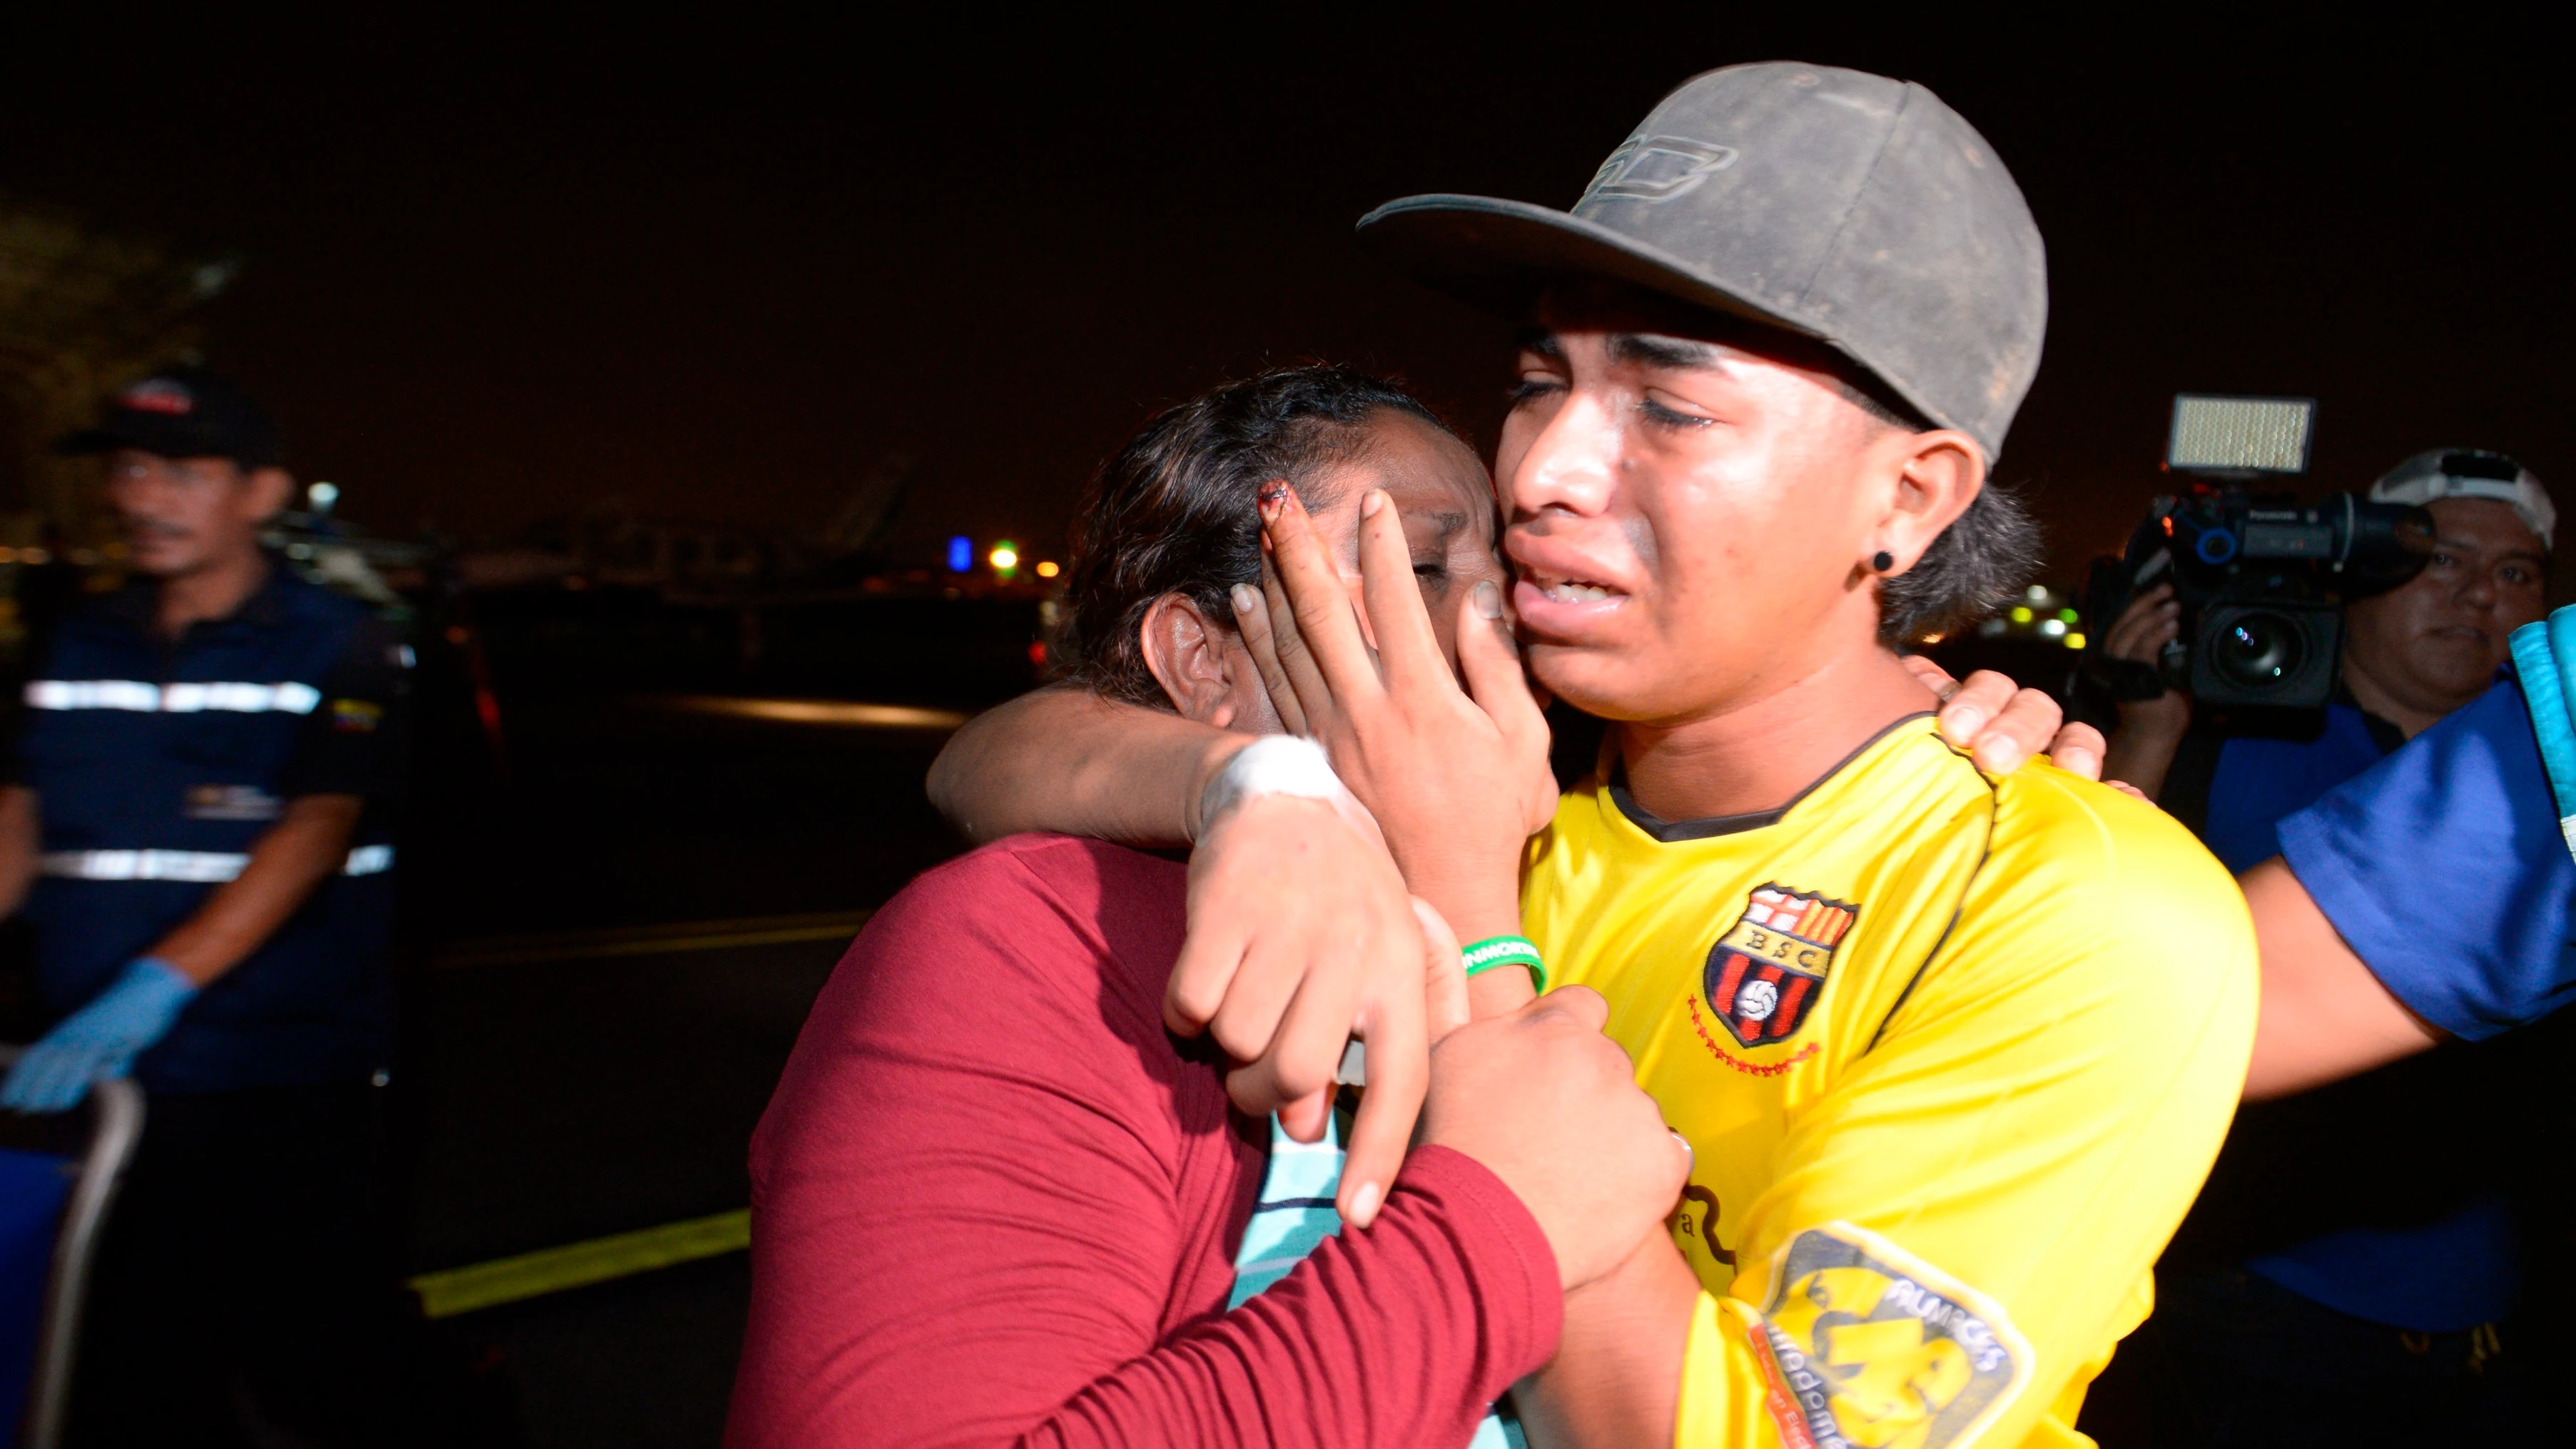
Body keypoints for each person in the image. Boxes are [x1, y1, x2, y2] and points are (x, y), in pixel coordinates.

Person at [931, 63, 2257, 1448]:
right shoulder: (1492, 779)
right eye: (1533, 381)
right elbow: (987, 761)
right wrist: (1252, 785)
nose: (1542, 470)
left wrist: (1473, 932)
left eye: (1668, 409)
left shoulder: (2082, 911)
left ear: (1906, 496)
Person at [726, 366, 1692, 1449]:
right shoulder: (1033, 949)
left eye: (1501, 571)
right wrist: (1487, 1237)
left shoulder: (1585, 890)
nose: (1497, 615)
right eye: (1417, 564)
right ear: (1198, 655)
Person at [2081, 449, 2550, 1442]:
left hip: (2494, 1315)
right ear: (2350, 573)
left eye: (2515, 572)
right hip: (2245, 1305)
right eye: (2442, 558)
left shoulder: (2548, 793)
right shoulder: (2221, 730)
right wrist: (2145, 732)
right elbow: (2076, 955)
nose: (2477, 593)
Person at [0, 368, 411, 1445]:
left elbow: (315, 829)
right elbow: (15, 817)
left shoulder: (344, 645)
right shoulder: (74, 641)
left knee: (313, 1355)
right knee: (116, 1360)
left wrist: (151, 986)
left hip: (272, 1079)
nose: (144, 496)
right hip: (89, 1082)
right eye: (130, 468)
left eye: (183, 471)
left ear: (261, 491)